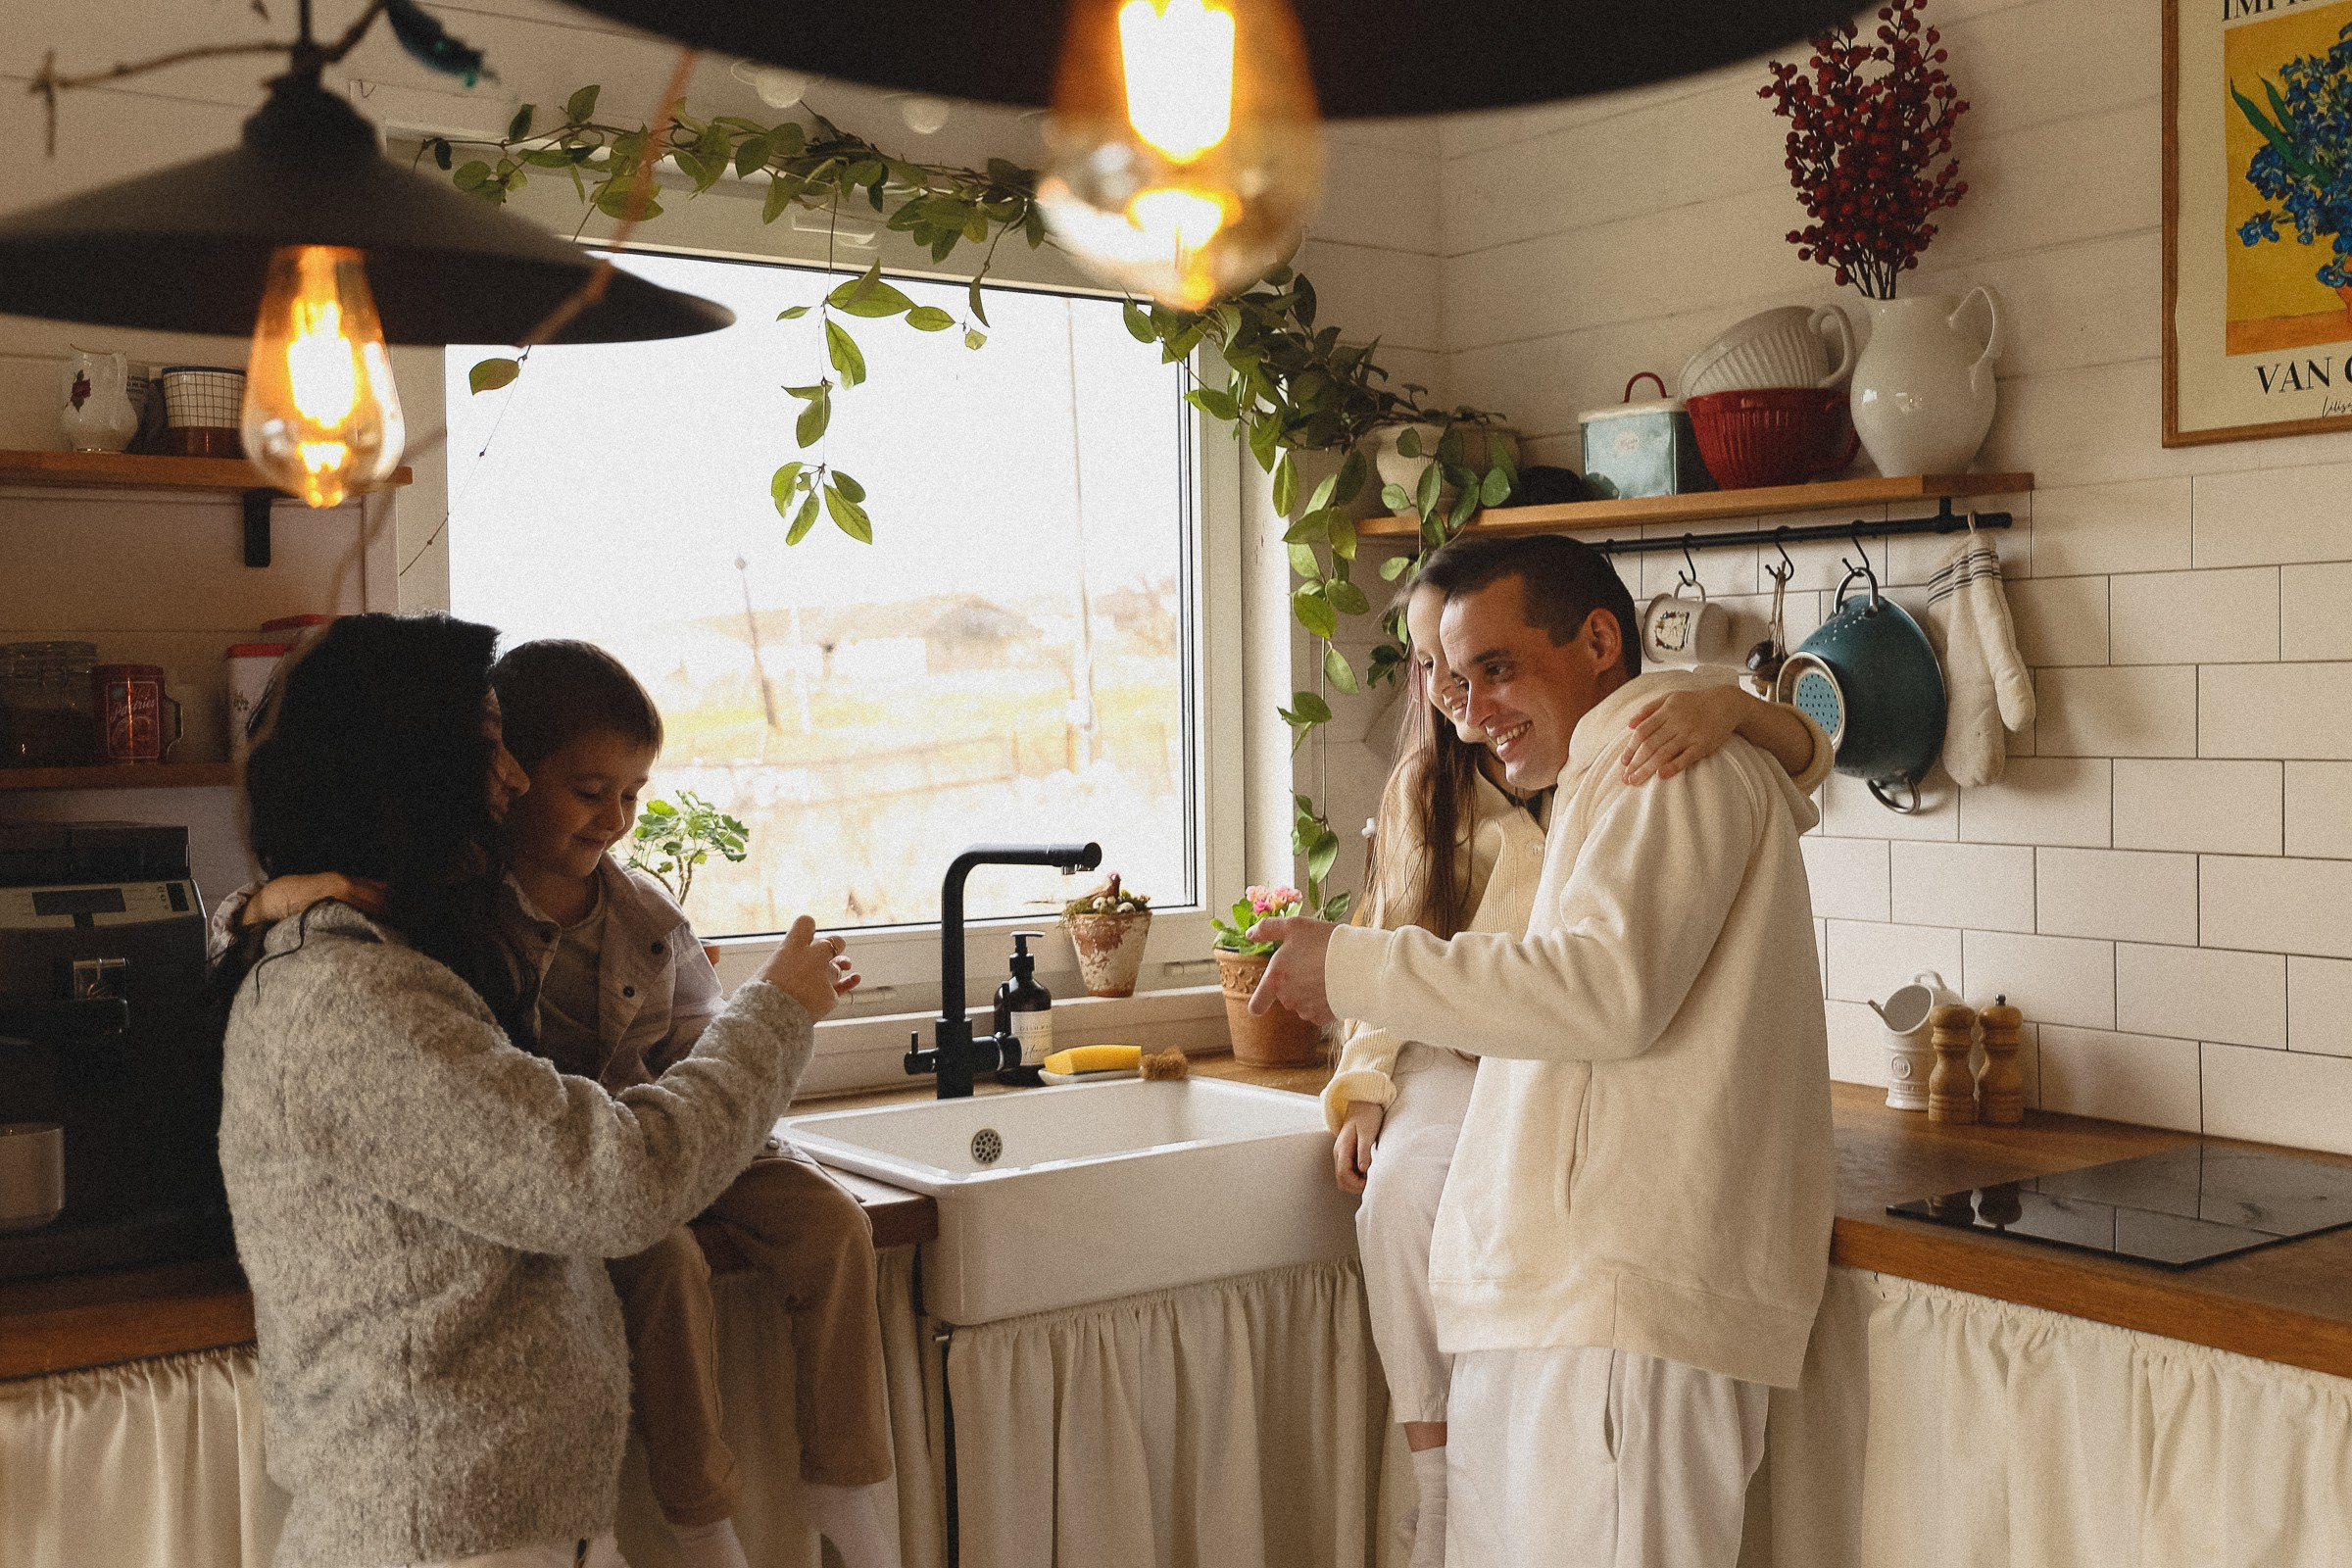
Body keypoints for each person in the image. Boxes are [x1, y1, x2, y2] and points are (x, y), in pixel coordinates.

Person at [215, 613, 858, 1568]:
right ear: (412, 766)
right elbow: (615, 1180)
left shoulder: (376, 958)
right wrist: (775, 1014)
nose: (514, 778)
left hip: (486, 1523)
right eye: (491, 746)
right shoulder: (351, 996)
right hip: (442, 1531)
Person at [1258, 536, 1835, 1568]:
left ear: (1600, 641)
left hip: (1627, 1301)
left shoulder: (1665, 766)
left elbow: (1604, 992)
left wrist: (1352, 967)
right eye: (1452, 674)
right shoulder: (1622, 770)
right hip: (1586, 1297)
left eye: (1498, 666)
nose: (1469, 708)